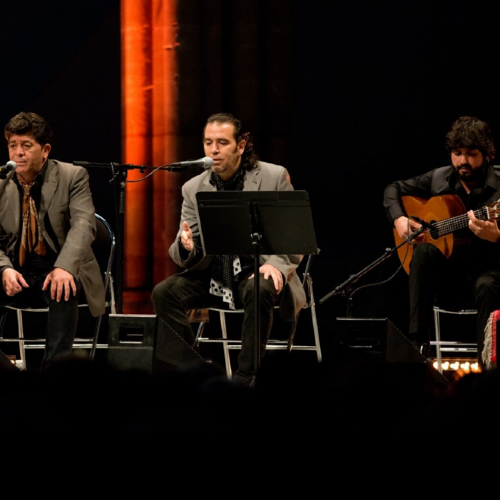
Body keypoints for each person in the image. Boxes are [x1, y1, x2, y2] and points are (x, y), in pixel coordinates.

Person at [151, 112, 306, 385]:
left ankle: (247, 378)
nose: (213, 149)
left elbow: (294, 237)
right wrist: (186, 246)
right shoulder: (193, 187)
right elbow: (186, 250)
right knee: (164, 292)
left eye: (222, 142)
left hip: (258, 271)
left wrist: (276, 264)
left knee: (258, 286)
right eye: (208, 142)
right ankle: (194, 371)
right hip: (214, 277)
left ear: (241, 145)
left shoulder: (273, 176)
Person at [383, 115, 500, 367]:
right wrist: (400, 220)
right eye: (457, 153)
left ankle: (487, 366)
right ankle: (416, 348)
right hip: (449, 280)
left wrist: (497, 237)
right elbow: (393, 189)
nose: (463, 161)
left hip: (488, 276)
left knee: (488, 284)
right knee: (423, 252)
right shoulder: (439, 178)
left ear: (488, 154)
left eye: (471, 153)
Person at [0, 111, 105, 370]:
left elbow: (84, 225)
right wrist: (4, 268)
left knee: (63, 288)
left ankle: (53, 376)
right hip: (18, 273)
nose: (18, 153)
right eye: (12, 145)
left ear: (45, 150)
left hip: (57, 270)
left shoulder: (73, 176)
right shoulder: (2, 181)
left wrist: (65, 267)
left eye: (26, 145)